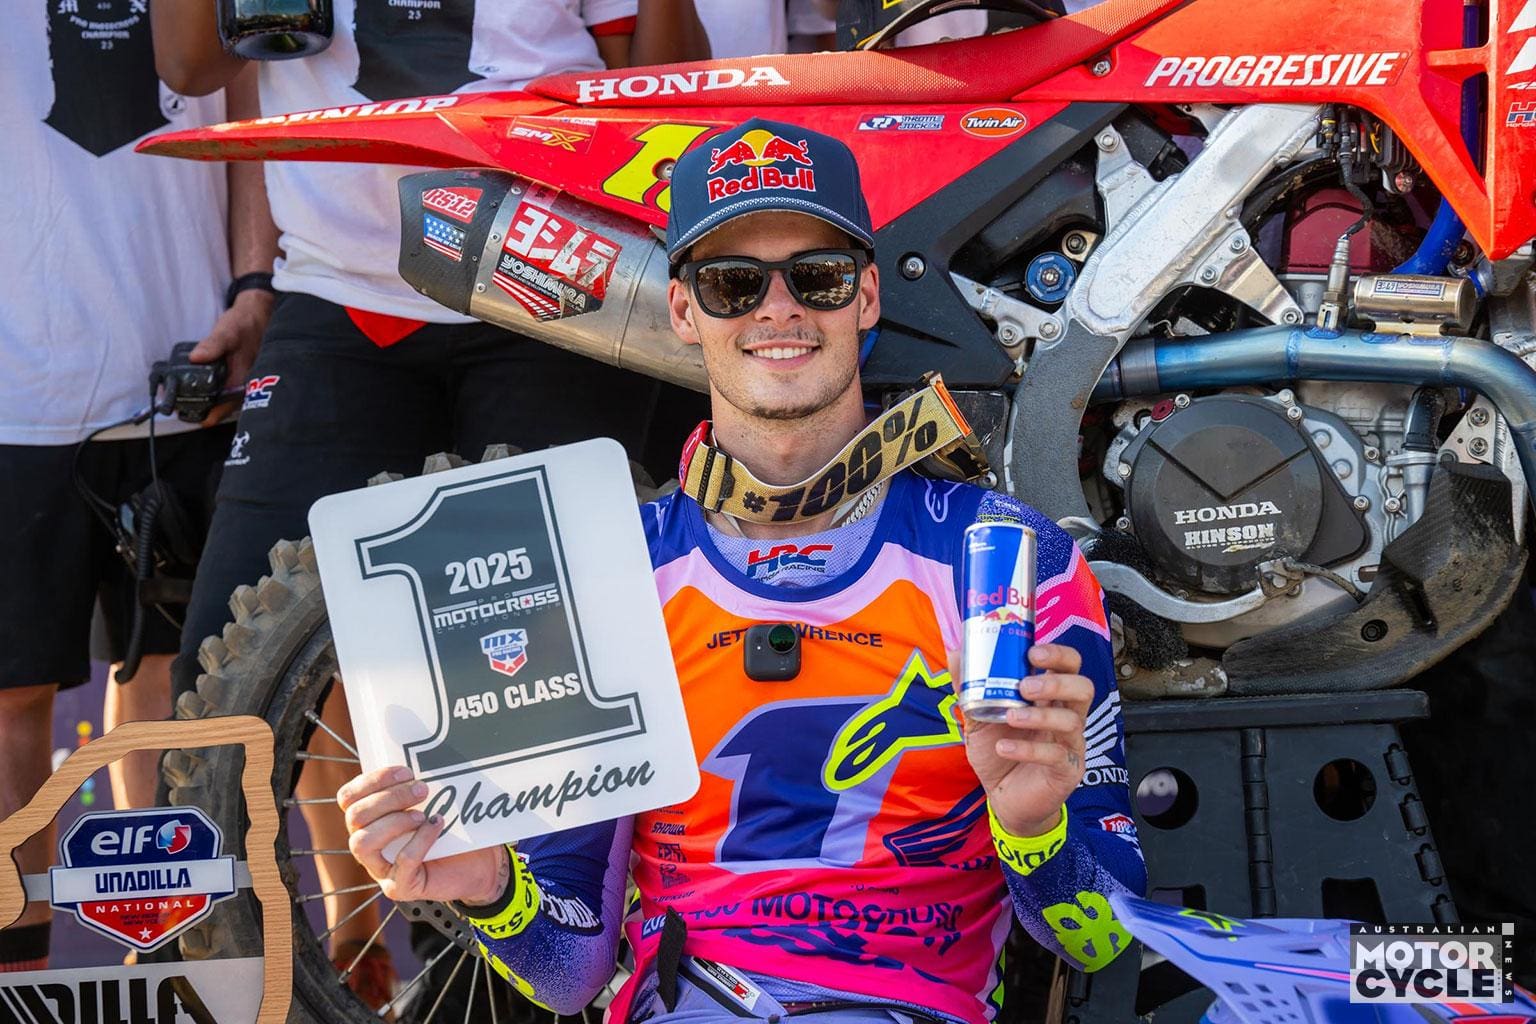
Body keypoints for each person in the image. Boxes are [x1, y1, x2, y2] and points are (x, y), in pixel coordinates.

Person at [337, 118, 1146, 1023]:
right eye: (732, 283)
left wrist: (1033, 827)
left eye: (817, 277)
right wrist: (491, 889)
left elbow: (1099, 940)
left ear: (865, 297)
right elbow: (568, 972)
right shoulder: (611, 570)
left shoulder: (1006, 560)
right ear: (684, 311)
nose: (778, 309)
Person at [150, 0, 709, 1009]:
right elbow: (190, 66)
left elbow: (661, 81)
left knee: (537, 668)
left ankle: (501, 979)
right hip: (340, 287)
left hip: (547, 274)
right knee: (222, 676)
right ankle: (230, 986)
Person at [0, 5, 270, 970]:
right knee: (12, 696)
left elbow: (246, 117)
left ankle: (164, 966)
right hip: (18, 388)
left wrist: (253, 284)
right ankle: (17, 975)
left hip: (187, 367)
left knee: (168, 678)